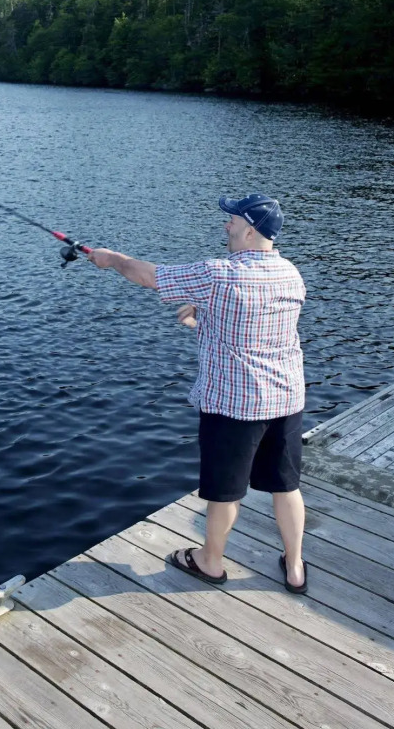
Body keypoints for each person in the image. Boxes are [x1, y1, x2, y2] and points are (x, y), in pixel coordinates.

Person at [87, 192, 308, 594]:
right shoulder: (291, 273)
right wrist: (200, 319)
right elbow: (252, 335)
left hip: (234, 406)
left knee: (225, 491)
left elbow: (149, 276)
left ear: (250, 229)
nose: (226, 226)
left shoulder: (219, 273)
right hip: (286, 399)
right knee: (285, 484)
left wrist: (112, 259)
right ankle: (295, 567)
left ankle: (210, 562)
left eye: (232, 220)